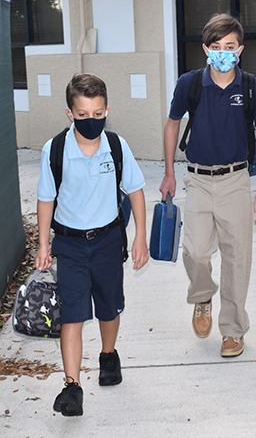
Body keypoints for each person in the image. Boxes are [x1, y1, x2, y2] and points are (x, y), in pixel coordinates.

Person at [159, 14, 256, 357]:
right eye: (216, 46)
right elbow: (171, 126)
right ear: (205, 49)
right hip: (197, 179)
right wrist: (168, 171)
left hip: (236, 181)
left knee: (237, 258)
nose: (223, 52)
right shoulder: (189, 84)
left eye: (230, 46)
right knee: (194, 251)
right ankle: (202, 296)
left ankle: (233, 330)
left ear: (240, 49)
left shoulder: (253, 87)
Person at [35, 73, 149, 416]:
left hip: (108, 241)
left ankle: (108, 355)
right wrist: (44, 244)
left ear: (107, 110)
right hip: (69, 245)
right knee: (72, 314)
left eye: (97, 114)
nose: (91, 121)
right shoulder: (54, 150)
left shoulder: (116, 146)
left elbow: (136, 191)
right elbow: (45, 199)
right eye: (82, 115)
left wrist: (140, 236)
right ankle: (72, 386)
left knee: (109, 306)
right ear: (70, 113)